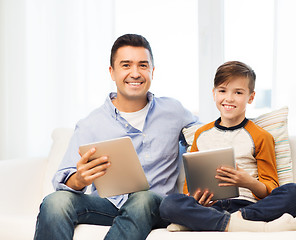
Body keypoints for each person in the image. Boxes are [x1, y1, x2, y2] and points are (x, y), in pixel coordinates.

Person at [34, 34, 198, 240]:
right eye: (126, 65)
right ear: (112, 72)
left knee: (142, 199)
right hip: (107, 205)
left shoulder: (174, 111)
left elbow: (206, 135)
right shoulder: (90, 124)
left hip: (156, 206)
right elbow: (64, 182)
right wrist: (80, 178)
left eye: (143, 65)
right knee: (55, 202)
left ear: (152, 72)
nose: (135, 73)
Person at [159, 61, 296, 232]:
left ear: (250, 97)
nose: (229, 98)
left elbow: (271, 189)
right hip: (210, 207)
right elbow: (189, 190)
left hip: (248, 207)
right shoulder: (201, 134)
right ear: (214, 94)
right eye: (222, 91)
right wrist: (198, 199)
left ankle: (224, 221)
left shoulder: (261, 136)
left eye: (238, 92)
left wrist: (248, 182)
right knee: (168, 204)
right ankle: (243, 225)